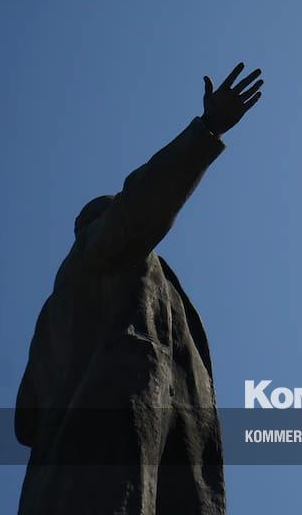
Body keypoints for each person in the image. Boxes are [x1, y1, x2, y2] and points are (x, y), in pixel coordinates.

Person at [15, 63, 263, 514]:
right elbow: (143, 203)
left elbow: (25, 419)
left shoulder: (59, 313)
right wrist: (207, 129)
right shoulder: (105, 251)